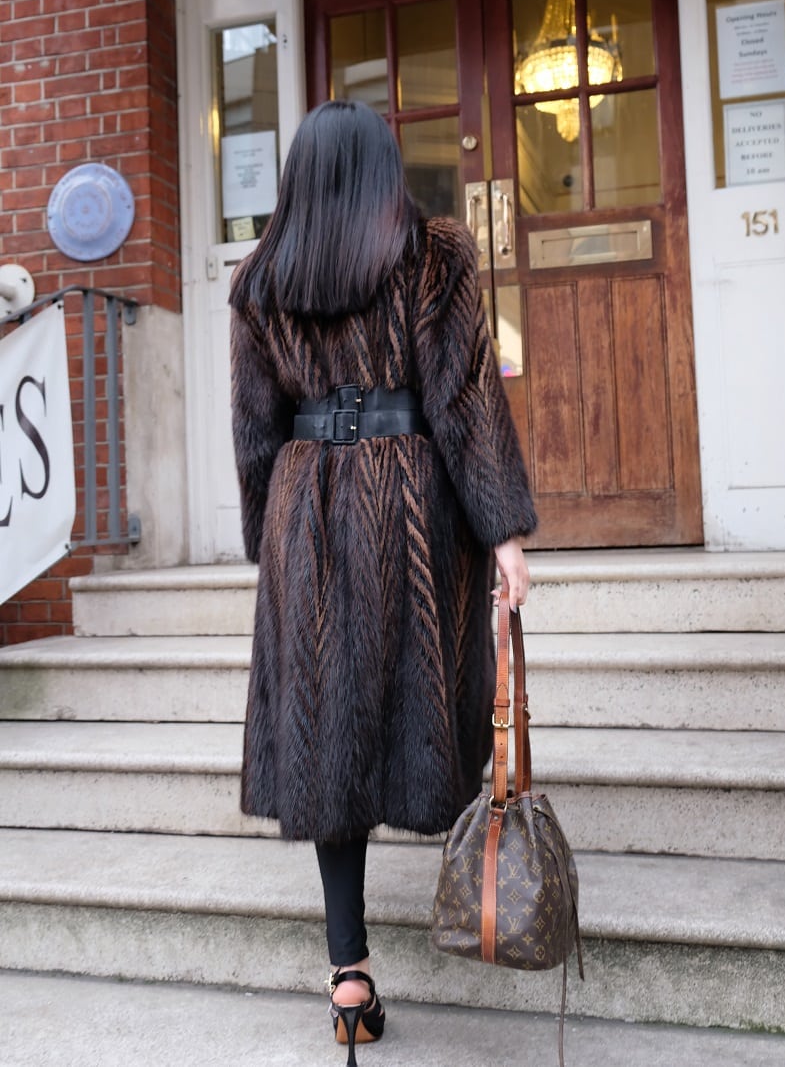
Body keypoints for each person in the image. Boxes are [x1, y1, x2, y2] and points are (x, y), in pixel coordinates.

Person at [229, 99, 536, 1066]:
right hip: (409, 504)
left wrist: (266, 539)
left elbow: (252, 430)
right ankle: (464, 889)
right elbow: (465, 397)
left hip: (306, 506)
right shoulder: (435, 257)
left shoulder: (261, 278)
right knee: (418, 698)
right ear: (380, 168)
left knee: (326, 732)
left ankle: (348, 972)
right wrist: (505, 532)